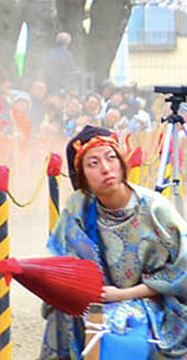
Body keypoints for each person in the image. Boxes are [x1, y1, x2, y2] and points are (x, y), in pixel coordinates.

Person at [40, 125, 187, 358]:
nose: (106, 169)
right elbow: (67, 264)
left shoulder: (155, 208)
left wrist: (120, 295)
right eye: (93, 163)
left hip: (153, 301)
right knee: (59, 311)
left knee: (119, 321)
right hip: (94, 298)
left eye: (111, 158)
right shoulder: (78, 207)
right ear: (82, 177)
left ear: (121, 161)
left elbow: (181, 274)